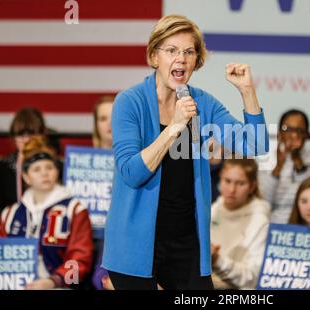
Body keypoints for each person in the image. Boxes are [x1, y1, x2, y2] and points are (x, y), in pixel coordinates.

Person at [102, 14, 268, 290]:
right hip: (135, 245)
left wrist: (247, 92)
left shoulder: (202, 103)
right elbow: (131, 172)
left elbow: (255, 145)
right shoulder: (129, 102)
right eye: (171, 50)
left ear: (196, 61)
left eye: (189, 52)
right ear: (155, 57)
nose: (181, 58)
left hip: (187, 244)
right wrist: (175, 127)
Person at [0, 136, 94, 289]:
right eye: (36, 169)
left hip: (61, 286)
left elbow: (81, 260)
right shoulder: (9, 214)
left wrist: (53, 281)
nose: (44, 173)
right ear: (26, 177)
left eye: (49, 167)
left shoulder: (75, 209)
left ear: (57, 171)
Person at [259, 109, 310, 224]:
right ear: (280, 133)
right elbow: (263, 202)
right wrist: (277, 168)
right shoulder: (267, 161)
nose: (293, 135)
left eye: (299, 130)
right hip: (273, 223)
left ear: (307, 134)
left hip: (308, 223)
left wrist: (299, 165)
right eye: (287, 129)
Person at [210, 159, 270, 290]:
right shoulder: (212, 211)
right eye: (227, 181)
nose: (232, 189)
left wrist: (217, 260)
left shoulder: (260, 220)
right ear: (220, 180)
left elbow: (253, 278)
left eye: (240, 183)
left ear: (252, 186)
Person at [0, 107, 61, 212]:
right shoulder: (2, 168)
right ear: (13, 136)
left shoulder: (56, 164)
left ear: (43, 135)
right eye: (20, 134)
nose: (26, 140)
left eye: (31, 134)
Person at [90, 95, 114, 290]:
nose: (109, 124)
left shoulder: (141, 159)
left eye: (114, 117)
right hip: (87, 235)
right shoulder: (80, 163)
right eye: (103, 118)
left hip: (118, 238)